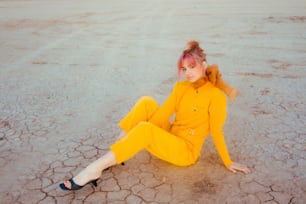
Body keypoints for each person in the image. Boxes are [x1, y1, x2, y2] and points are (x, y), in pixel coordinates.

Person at [59, 40, 250, 191]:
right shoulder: (181, 87)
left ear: (204, 65)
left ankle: (93, 169)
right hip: (171, 136)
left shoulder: (216, 96)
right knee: (147, 102)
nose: (187, 73)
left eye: (192, 67)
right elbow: (163, 114)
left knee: (145, 129)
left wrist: (228, 161)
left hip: (185, 151)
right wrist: (140, 135)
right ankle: (118, 150)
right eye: (184, 69)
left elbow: (216, 131)